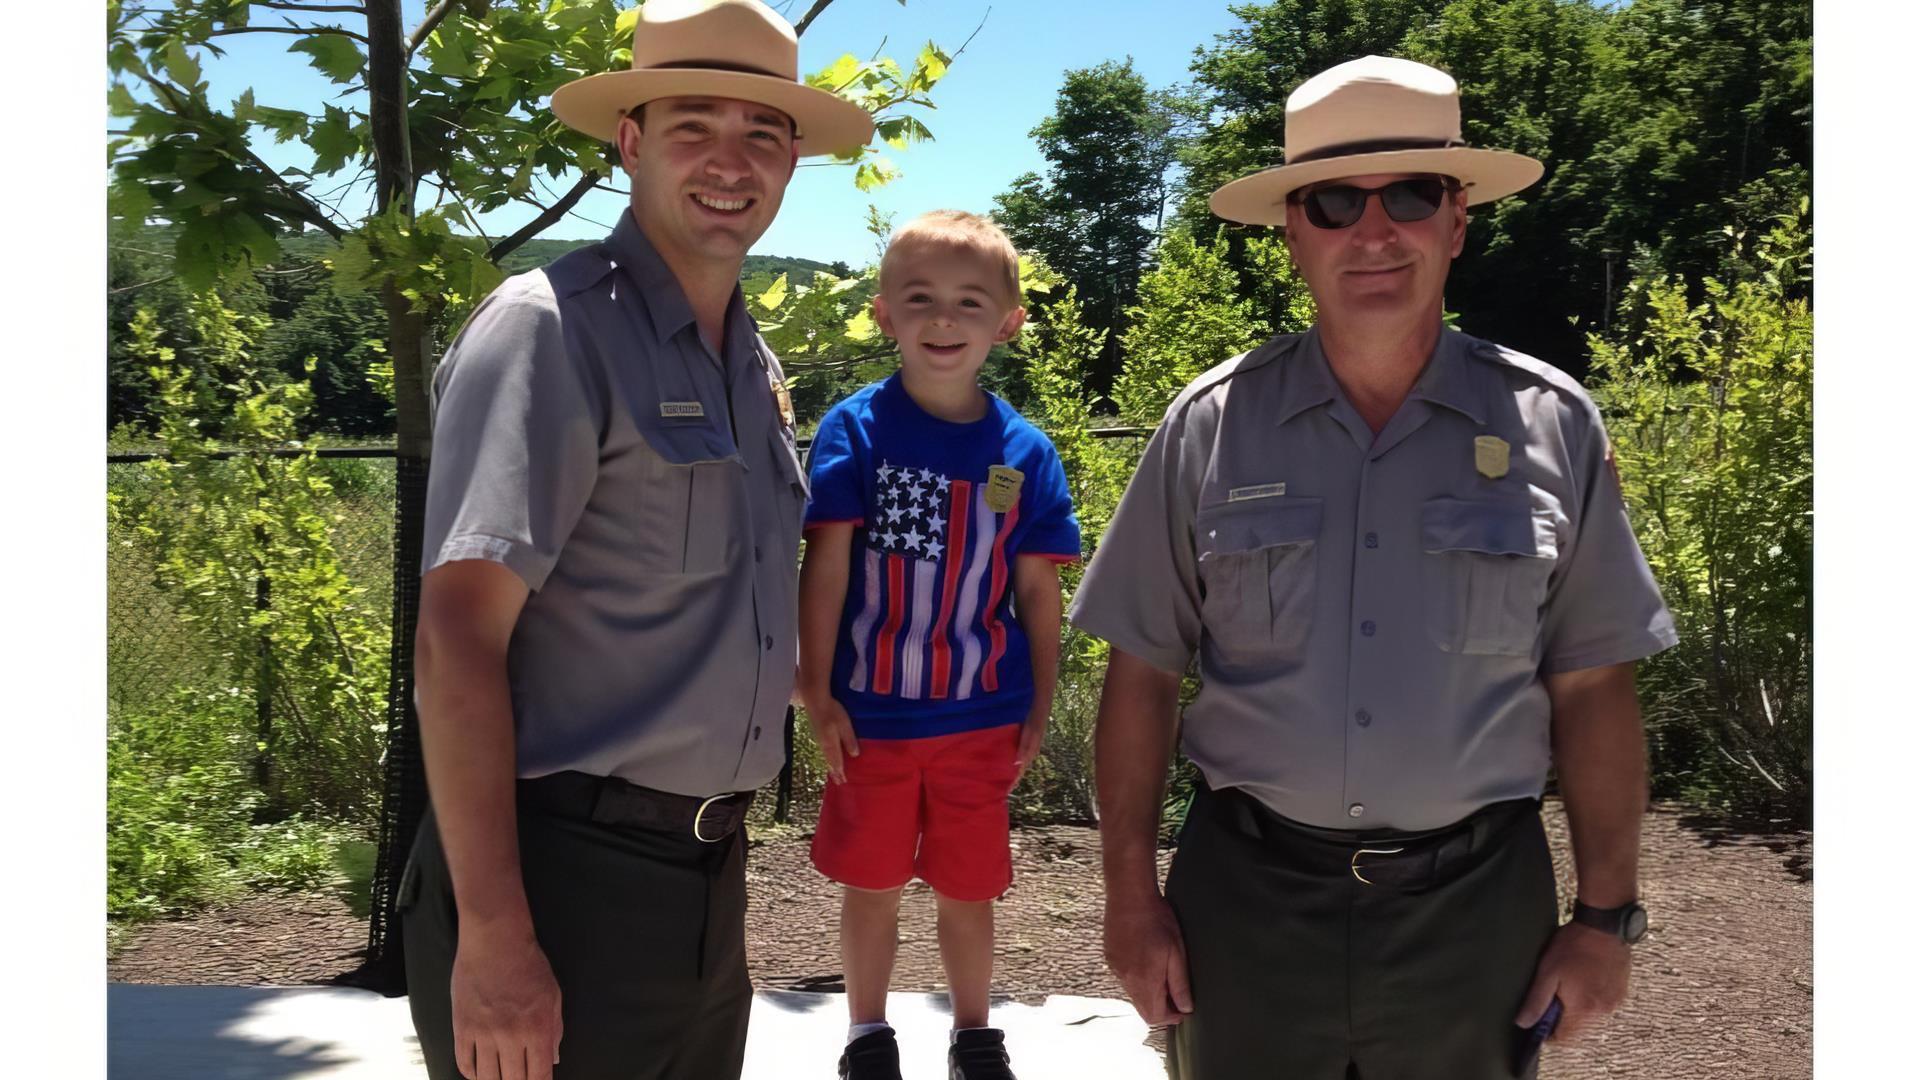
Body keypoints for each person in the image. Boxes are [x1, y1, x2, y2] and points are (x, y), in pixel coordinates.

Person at [1068, 55, 1677, 1080]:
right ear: (1293, 232)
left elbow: (1595, 684)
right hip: (1248, 906)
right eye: (1337, 200)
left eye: (1410, 194)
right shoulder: (1208, 428)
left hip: (1475, 916)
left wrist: (1606, 917)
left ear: (1458, 219)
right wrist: (1130, 900)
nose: (1375, 229)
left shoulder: (1553, 424)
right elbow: (1141, 676)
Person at [398, 2, 874, 1078]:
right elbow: (455, 645)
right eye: (692, 125)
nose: (729, 161)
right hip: (558, 877)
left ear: (793, 157)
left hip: (703, 880)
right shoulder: (549, 330)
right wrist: (496, 937)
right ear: (630, 140)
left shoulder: (750, 364)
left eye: (762, 131)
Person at [796, 210, 1082, 1080]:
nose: (944, 320)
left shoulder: (1027, 454)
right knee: (872, 886)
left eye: (969, 301)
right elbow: (828, 567)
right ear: (885, 315)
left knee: (969, 889)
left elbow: (1038, 590)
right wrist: (817, 689)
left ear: (1008, 321)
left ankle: (973, 1035)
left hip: (981, 719)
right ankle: (867, 1036)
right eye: (920, 300)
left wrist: (1039, 700)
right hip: (871, 723)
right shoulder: (853, 431)